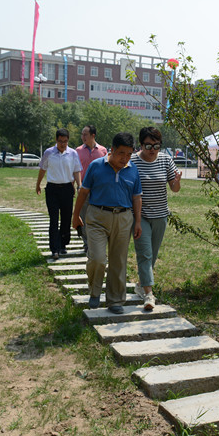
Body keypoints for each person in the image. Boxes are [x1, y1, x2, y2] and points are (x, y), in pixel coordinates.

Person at [72, 132, 142, 314]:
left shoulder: (133, 170)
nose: (125, 158)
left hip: (124, 218)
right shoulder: (96, 166)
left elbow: (136, 197)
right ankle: (95, 291)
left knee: (118, 261)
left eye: (129, 154)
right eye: (121, 153)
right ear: (112, 150)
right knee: (97, 258)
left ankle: (115, 300)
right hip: (97, 217)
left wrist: (137, 222)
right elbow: (83, 192)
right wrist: (75, 215)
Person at [130, 126, 182, 311]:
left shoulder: (166, 160)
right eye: (148, 146)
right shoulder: (133, 161)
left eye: (156, 146)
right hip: (140, 216)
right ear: (140, 145)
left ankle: (141, 284)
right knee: (144, 253)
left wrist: (177, 182)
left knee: (152, 254)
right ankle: (149, 294)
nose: (152, 150)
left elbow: (174, 188)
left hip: (160, 215)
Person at [36, 129, 82, 260]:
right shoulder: (49, 153)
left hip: (67, 188)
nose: (63, 144)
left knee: (66, 219)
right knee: (54, 219)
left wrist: (79, 185)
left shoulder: (72, 153)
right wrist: (38, 184)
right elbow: (42, 169)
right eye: (60, 141)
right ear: (56, 140)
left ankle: (63, 244)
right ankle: (54, 249)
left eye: (65, 141)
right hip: (52, 189)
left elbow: (77, 170)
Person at [75, 125, 108, 251]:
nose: (83, 137)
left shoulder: (103, 151)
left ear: (93, 135)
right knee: (84, 216)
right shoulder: (78, 151)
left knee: (98, 216)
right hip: (83, 188)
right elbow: (75, 169)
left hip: (99, 189)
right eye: (82, 134)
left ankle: (97, 242)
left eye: (85, 134)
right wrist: (75, 185)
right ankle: (87, 243)